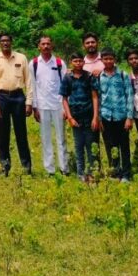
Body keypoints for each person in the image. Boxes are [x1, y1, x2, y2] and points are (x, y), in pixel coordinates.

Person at [0, 33, 34, 176]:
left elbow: (29, 81)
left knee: (21, 133)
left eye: (8, 40)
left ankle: (26, 167)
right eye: (2, 41)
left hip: (18, 97)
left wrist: (29, 102)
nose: (5, 43)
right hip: (1, 98)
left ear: (12, 42)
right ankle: (5, 166)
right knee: (3, 134)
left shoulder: (21, 58)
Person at [32, 35, 68, 176]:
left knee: (61, 138)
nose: (46, 46)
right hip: (42, 106)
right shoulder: (34, 64)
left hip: (58, 105)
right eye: (43, 44)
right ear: (39, 46)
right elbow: (33, 86)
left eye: (48, 44)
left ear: (52, 46)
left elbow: (66, 86)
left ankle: (64, 168)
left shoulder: (59, 63)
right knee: (46, 138)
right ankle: (49, 169)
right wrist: (35, 107)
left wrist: (66, 107)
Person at [60, 53, 99, 182]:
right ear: (71, 62)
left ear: (83, 62)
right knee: (79, 146)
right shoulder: (67, 78)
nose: (78, 63)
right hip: (75, 117)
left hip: (89, 116)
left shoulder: (89, 76)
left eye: (80, 61)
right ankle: (81, 174)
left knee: (91, 145)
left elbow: (94, 96)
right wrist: (70, 117)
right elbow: (64, 99)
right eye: (75, 61)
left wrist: (95, 117)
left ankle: (93, 173)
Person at [96, 49, 134, 181]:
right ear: (101, 60)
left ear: (115, 60)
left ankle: (126, 174)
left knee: (124, 146)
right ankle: (115, 172)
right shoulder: (99, 77)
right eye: (105, 59)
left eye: (110, 59)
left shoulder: (123, 75)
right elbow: (99, 98)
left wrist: (129, 117)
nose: (108, 61)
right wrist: (99, 118)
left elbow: (129, 95)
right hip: (106, 116)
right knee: (110, 146)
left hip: (121, 116)